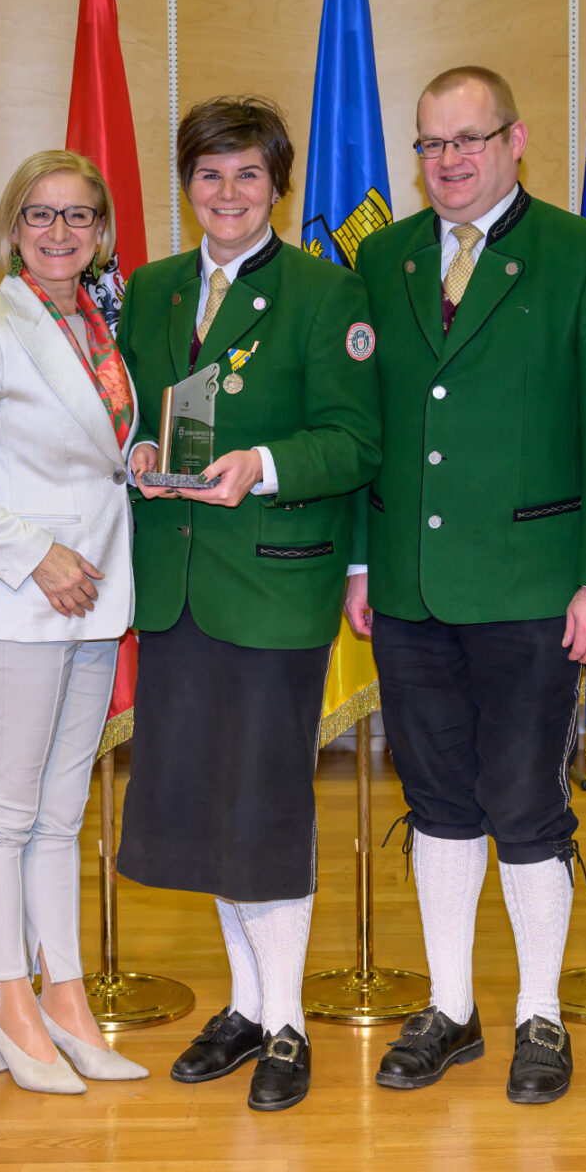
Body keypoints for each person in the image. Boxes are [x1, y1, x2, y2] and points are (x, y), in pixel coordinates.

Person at [347, 65, 586, 1105]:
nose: (449, 162)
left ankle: (538, 1012)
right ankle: (451, 1004)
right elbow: (362, 425)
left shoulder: (582, 255)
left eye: (469, 139)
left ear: (517, 139)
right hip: (409, 586)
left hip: (532, 585)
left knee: (525, 806)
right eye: (431, 145)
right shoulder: (380, 257)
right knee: (434, 803)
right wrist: (358, 557)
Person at [115, 96, 382, 1113]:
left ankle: (287, 1025)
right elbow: (132, 405)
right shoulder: (148, 290)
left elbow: (356, 441)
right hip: (176, 587)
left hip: (273, 583)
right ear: (186, 184)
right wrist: (137, 448)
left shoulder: (324, 294)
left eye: (247, 175)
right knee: (205, 809)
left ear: (279, 185)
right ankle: (243, 1000)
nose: (226, 193)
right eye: (208, 174)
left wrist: (261, 462)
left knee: (264, 808)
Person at [0, 150, 148, 1095]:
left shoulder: (103, 327)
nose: (60, 234)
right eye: (41, 217)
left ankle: (67, 998)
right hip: (22, 600)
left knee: (63, 815)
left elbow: (103, 453)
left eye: (78, 218)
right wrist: (29, 553)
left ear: (101, 234)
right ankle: (8, 1004)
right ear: (14, 228)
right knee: (5, 816)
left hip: (100, 599)